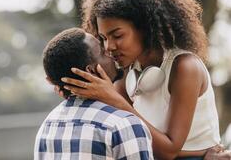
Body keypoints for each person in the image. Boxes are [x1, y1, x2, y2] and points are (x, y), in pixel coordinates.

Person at [59, 0, 223, 160]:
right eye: (103, 38)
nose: (109, 46)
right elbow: (125, 133)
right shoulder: (127, 72)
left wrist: (114, 98)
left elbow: (168, 150)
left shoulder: (184, 67)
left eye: (117, 35)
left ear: (145, 28)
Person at [34, 28, 153, 160]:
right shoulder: (123, 125)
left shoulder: (48, 126)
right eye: (103, 52)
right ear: (91, 71)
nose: (110, 51)